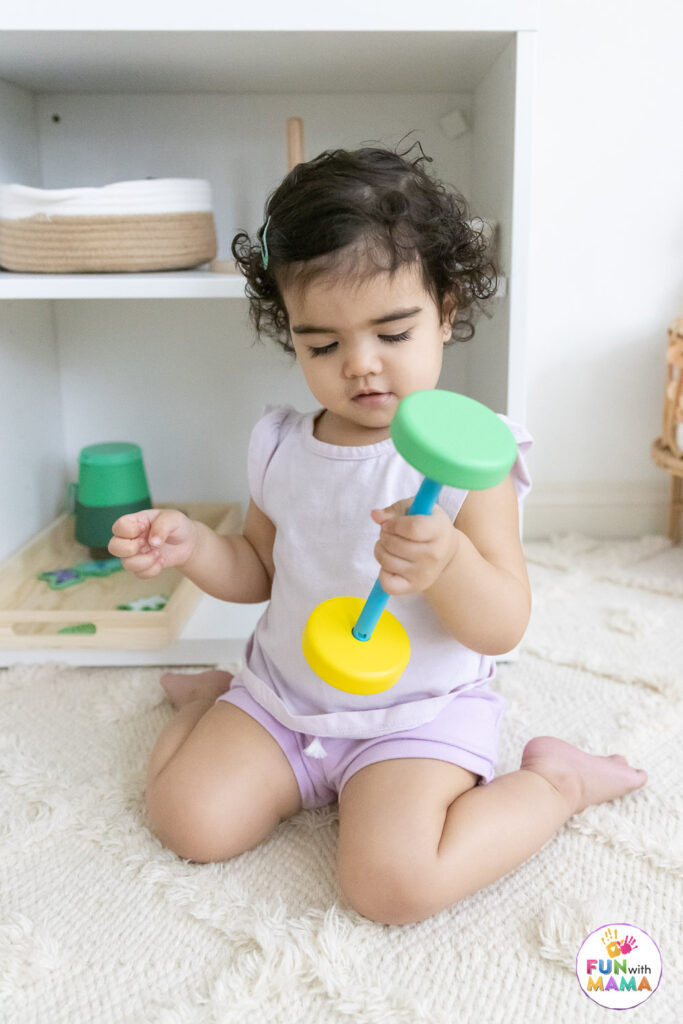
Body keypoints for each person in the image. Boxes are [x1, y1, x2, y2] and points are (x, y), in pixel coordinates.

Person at [109, 141, 647, 925]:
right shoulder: (284, 444)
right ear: (289, 332)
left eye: (392, 334)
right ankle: (217, 702)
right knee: (189, 823)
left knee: (391, 888)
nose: (359, 366)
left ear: (447, 311)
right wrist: (194, 547)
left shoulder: (475, 458)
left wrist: (449, 560)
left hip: (418, 715)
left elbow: (503, 623)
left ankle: (554, 783)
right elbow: (259, 568)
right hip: (286, 697)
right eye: (321, 344)